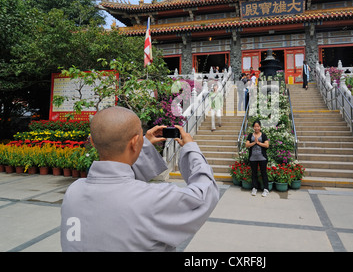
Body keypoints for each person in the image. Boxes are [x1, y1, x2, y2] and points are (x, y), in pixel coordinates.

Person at [60, 106, 219, 252]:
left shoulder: (73, 192)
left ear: (93, 142)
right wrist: (191, 148)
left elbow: (118, 185)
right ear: (135, 142)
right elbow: (205, 195)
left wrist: (140, 146)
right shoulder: (154, 198)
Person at [245, 120, 270, 197]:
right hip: (253, 157)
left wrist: (258, 143)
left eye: (258, 126)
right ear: (253, 127)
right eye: (255, 126)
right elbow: (247, 145)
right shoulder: (250, 135)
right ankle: (254, 188)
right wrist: (254, 143)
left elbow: (267, 145)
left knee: (263, 173)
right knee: (254, 173)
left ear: (260, 127)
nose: (256, 128)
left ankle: (266, 189)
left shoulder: (263, 135)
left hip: (262, 157)